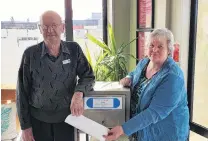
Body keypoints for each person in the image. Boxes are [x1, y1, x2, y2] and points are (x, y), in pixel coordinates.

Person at [16, 10, 95, 141]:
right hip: (38, 122)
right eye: (45, 26)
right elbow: (21, 93)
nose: (50, 30)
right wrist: (25, 127)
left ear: (62, 27)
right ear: (40, 29)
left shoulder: (73, 50)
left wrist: (79, 93)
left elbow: (88, 76)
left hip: (68, 120)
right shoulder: (30, 54)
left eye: (54, 25)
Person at [103, 28, 189, 141]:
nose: (154, 49)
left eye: (160, 46)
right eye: (151, 45)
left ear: (169, 50)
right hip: (144, 131)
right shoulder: (145, 63)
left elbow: (154, 113)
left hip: (167, 134)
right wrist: (129, 77)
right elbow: (134, 73)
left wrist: (122, 129)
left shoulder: (173, 77)